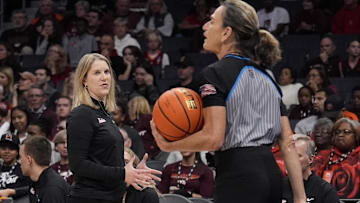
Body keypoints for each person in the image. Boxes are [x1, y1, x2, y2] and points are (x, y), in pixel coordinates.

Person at [150, 1, 306, 203]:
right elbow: (288, 143)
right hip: (271, 175)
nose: (205, 26)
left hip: (239, 176)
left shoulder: (214, 73)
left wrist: (168, 144)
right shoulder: (267, 77)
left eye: (212, 21)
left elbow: (214, 139)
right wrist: (300, 198)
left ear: (226, 33)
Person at [67, 53, 161, 203]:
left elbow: (105, 160)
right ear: (84, 80)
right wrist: (123, 173)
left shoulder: (105, 114)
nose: (104, 77)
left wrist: (134, 172)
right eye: (97, 73)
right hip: (89, 197)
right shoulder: (81, 114)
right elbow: (78, 165)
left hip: (111, 196)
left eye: (107, 72)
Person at [282, 134, 339, 203]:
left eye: (297, 156)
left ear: (310, 159)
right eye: (288, 155)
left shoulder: (324, 190)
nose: (291, 159)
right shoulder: (277, 188)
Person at [312, 118, 360, 199]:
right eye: (337, 132)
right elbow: (312, 181)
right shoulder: (324, 156)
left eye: (346, 132)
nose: (340, 135)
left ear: (356, 135)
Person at [20, 136, 69, 203]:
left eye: (21, 157)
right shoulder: (36, 181)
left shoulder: (52, 189)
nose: (20, 162)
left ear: (29, 160)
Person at [0, 133, 30, 200]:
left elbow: (31, 188)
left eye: (11, 148)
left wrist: (12, 192)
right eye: (3, 148)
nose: (7, 151)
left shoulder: (23, 169)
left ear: (17, 151)